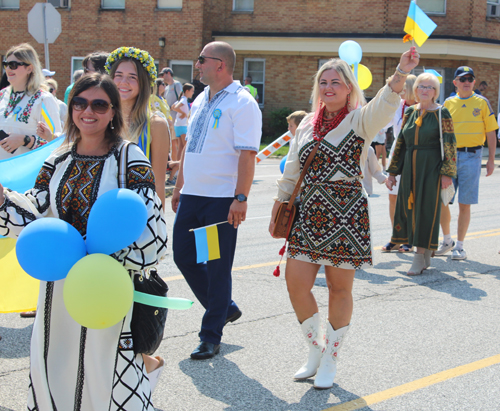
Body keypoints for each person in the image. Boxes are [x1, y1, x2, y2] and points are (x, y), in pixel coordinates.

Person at [0, 73, 167, 410]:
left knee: (109, 372)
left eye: (99, 104)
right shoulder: (57, 160)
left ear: (112, 112)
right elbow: (35, 214)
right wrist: (3, 198)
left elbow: (153, 232)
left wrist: (105, 254)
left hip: (109, 288)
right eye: (79, 102)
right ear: (71, 107)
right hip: (59, 290)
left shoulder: (129, 158)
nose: (87, 111)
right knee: (55, 366)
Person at [268, 47, 419, 389]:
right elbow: (292, 170)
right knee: (296, 283)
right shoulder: (306, 123)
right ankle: (315, 350)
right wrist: (281, 206)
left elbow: (386, 103)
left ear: (349, 87)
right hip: (308, 212)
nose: (329, 87)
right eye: (323, 82)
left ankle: (331, 359)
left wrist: (400, 72)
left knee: (339, 289)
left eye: (336, 82)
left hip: (346, 214)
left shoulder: (360, 119)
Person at [172, 41, 262, 360]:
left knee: (216, 265)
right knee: (184, 257)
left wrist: (241, 198)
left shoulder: (242, 103)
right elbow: (190, 148)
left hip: (219, 201)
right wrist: (179, 186)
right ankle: (224, 307)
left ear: (220, 65)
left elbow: (248, 155)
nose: (197, 65)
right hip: (193, 197)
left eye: (201, 60)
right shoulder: (199, 99)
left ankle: (211, 334)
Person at [386, 73, 457, 275]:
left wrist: (447, 173)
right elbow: (400, 143)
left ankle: (419, 256)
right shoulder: (409, 113)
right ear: (415, 90)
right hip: (409, 167)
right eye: (421, 86)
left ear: (435, 92)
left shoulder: (442, 113)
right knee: (409, 209)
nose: (425, 90)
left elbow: (450, 145)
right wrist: (392, 172)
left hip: (431, 167)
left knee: (425, 210)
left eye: (430, 87)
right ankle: (425, 253)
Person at [435, 66, 499, 260]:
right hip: (450, 157)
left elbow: (490, 132)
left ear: (473, 82)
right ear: (455, 83)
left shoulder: (482, 102)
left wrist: (490, 160)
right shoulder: (447, 103)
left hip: (472, 156)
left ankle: (460, 246)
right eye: (462, 79)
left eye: (470, 79)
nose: (466, 82)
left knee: (465, 203)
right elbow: (441, 133)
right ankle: (447, 240)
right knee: (443, 199)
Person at [106, 47, 170, 209]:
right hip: (102, 209)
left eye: (132, 77)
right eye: (118, 75)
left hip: (139, 212)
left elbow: (158, 184)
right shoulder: (101, 119)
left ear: (143, 83)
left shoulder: (156, 125)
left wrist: (157, 227)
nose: (123, 82)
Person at [0, 43, 61, 161]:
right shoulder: (2, 96)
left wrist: (25, 140)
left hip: (26, 175)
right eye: (6, 65)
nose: (8, 69)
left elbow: (56, 143)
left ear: (29, 68)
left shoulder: (43, 100)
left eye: (13, 65)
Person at [381, 74, 417, 253]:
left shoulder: (423, 108)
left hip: (416, 153)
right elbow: (381, 123)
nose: (400, 90)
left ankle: (411, 237)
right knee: (392, 196)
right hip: (397, 152)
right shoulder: (398, 106)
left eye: (403, 86)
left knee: (411, 198)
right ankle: (396, 237)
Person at [160, 67, 182, 160]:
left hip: (176, 118)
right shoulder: (167, 87)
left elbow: (182, 98)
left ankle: (178, 164)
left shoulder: (176, 84)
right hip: (169, 119)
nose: (162, 77)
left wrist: (173, 106)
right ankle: (173, 162)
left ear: (168, 73)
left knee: (177, 143)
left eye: (163, 74)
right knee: (172, 143)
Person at [171, 83, 195, 156]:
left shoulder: (181, 99)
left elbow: (173, 106)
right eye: (192, 91)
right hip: (183, 125)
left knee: (180, 147)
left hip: (178, 125)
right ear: (187, 91)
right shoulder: (184, 99)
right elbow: (175, 108)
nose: (193, 93)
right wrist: (183, 113)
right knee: (185, 147)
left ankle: (178, 164)